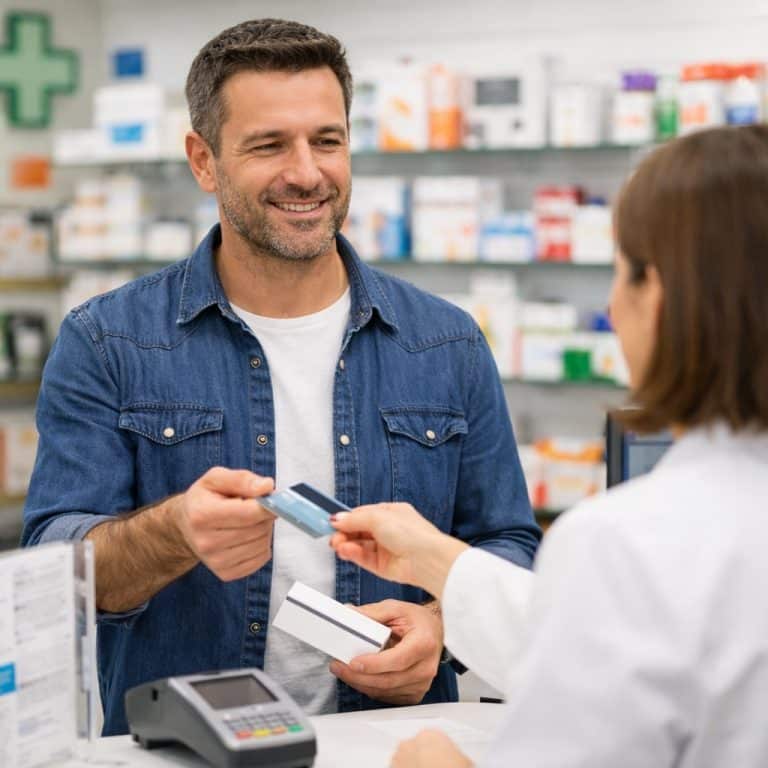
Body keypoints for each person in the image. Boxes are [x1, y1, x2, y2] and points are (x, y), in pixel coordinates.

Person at [20, 18, 540, 736]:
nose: (306, 172)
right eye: (269, 145)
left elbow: (509, 543)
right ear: (203, 161)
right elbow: (56, 574)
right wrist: (174, 531)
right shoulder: (108, 340)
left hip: (395, 745)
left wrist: (440, 623)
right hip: (187, 750)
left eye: (327, 140)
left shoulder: (444, 342)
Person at [330, 124, 768, 768]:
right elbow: (623, 646)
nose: (615, 310)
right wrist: (437, 561)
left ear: (668, 297)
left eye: (623, 274)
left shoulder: (628, 540)